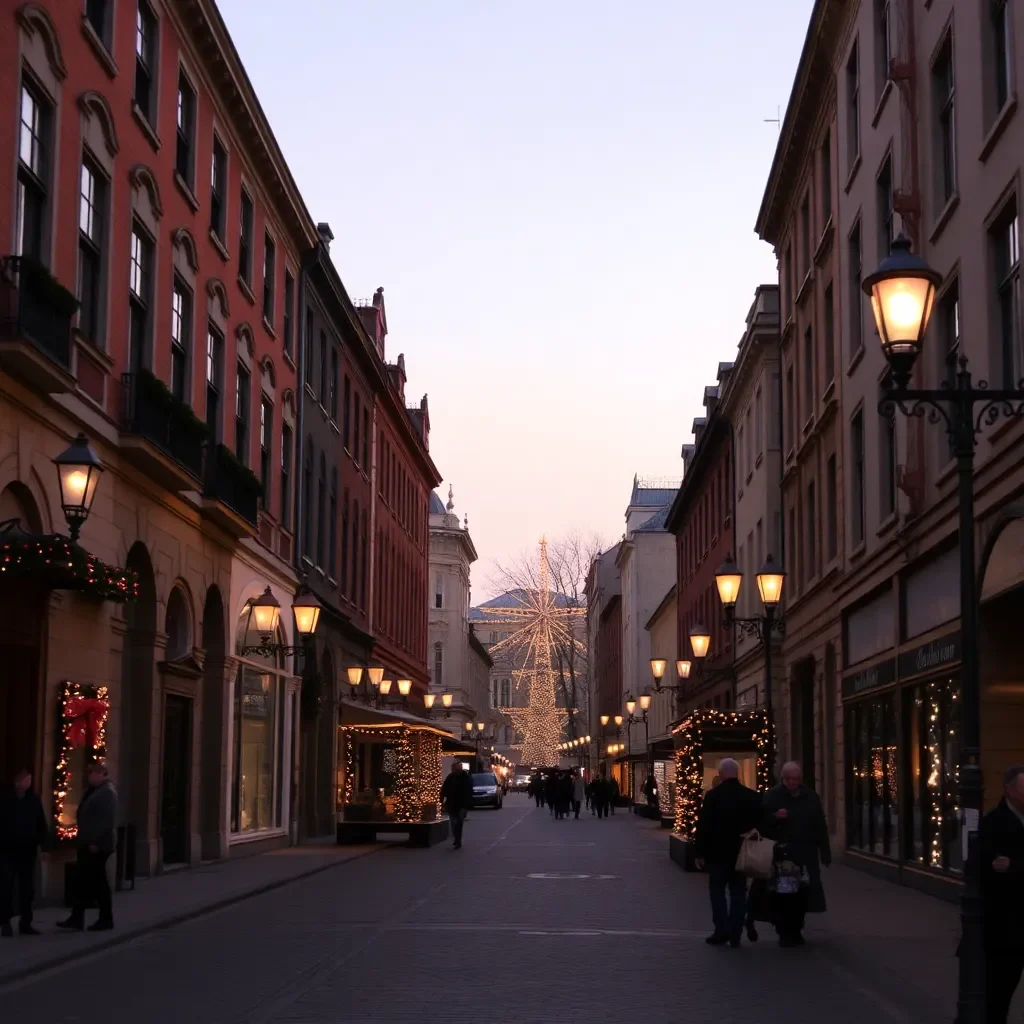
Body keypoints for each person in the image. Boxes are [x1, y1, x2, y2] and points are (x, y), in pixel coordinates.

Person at [761, 761, 831, 947]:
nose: (793, 782)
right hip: (784, 856)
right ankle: (785, 931)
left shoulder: (810, 797)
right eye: (790, 779)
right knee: (785, 895)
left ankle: (797, 929)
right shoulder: (773, 797)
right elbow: (762, 823)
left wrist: (824, 851)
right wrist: (775, 817)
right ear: (783, 778)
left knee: (802, 894)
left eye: (796, 779)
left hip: (805, 854)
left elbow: (819, 825)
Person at [694, 757, 762, 948]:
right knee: (739, 892)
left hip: (717, 854)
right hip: (742, 853)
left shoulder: (713, 796)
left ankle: (721, 930)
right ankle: (735, 932)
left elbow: (704, 826)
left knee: (717, 892)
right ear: (737, 774)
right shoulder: (751, 796)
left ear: (722, 775)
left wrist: (699, 852)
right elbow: (761, 823)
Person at [979, 764, 1024, 1024]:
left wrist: (1014, 866)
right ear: (1009, 791)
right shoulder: (993, 823)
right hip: (1007, 926)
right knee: (1000, 993)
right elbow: (982, 867)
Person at [58, 761, 118, 932]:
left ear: (101, 774)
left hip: (96, 845)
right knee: (83, 881)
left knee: (98, 882)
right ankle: (77, 917)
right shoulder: (95, 790)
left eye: (92, 774)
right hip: (87, 842)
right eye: (89, 774)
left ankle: (105, 918)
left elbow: (106, 821)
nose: (89, 777)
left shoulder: (107, 792)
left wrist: (95, 842)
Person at [0, 768, 48, 937]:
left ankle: (26, 922)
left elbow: (41, 823)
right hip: (8, 850)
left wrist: (40, 843)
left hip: (27, 851)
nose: (27, 783)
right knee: (6, 886)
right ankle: (5, 922)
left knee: (27, 889)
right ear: (17, 782)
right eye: (25, 780)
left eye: (29, 780)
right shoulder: (5, 799)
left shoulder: (33, 799)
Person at [440, 762, 473, 849]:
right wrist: (441, 801)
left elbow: (468, 792)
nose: (453, 770)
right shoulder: (450, 777)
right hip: (451, 804)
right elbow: (444, 789)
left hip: (461, 805)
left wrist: (466, 806)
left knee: (458, 823)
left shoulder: (466, 778)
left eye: (454, 768)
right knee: (454, 823)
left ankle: (457, 840)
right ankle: (456, 838)